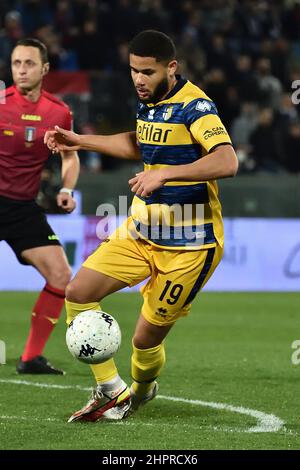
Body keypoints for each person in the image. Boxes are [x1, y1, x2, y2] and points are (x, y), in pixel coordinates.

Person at [44, 30, 238, 420]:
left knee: (144, 341)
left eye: (147, 72)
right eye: (133, 71)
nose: (139, 79)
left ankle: (142, 389)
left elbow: (226, 160)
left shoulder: (195, 106)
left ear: (171, 67)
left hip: (190, 245)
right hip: (141, 231)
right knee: (79, 292)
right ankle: (110, 390)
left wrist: (166, 174)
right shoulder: (148, 102)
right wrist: (80, 140)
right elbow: (139, 143)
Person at [0, 38, 80, 374]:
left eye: (29, 63)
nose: (21, 70)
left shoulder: (58, 112)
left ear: (45, 69)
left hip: (21, 209)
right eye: (16, 63)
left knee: (62, 276)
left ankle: (31, 357)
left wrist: (66, 188)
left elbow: (70, 156)